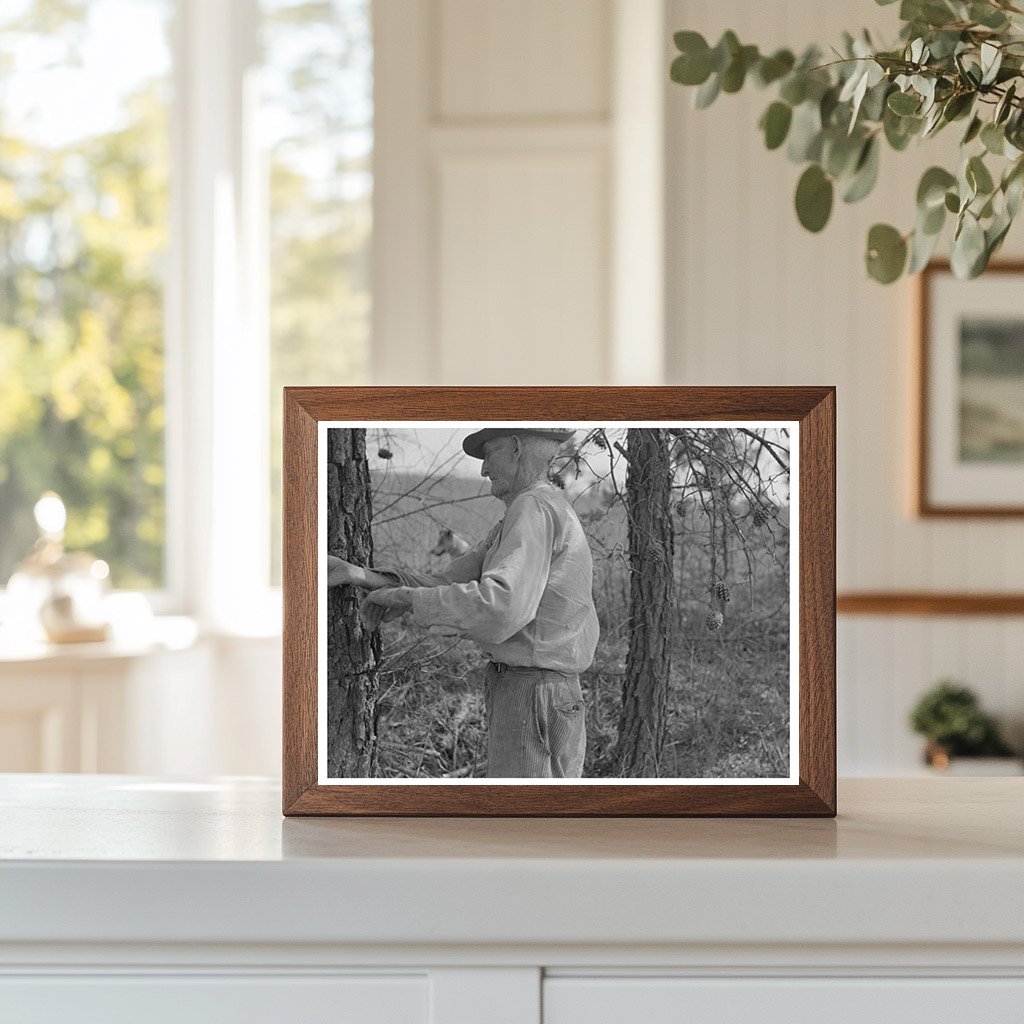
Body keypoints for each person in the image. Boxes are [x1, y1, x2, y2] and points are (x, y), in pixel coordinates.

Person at [327, 427, 599, 778]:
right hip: (540, 690)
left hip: (532, 693)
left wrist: (410, 600)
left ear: (515, 449)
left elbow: (501, 608)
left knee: (524, 823)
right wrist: (360, 576)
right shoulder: (533, 509)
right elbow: (448, 581)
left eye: (489, 454)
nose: (484, 469)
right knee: (543, 824)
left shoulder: (532, 507)